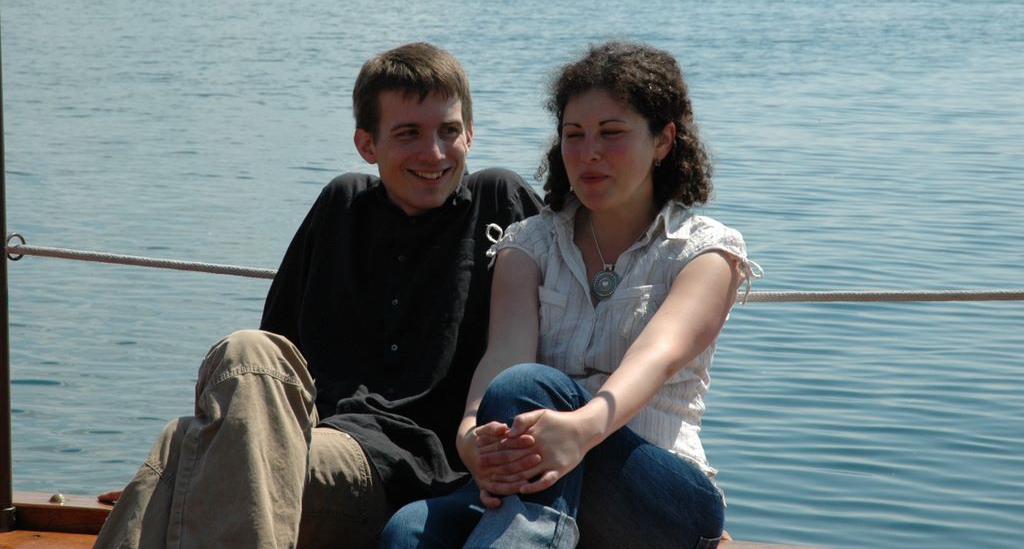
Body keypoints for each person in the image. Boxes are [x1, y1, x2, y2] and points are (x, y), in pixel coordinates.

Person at [92, 42, 542, 549]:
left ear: (471, 134)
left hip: (401, 468)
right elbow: (271, 365)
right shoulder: (341, 205)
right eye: (408, 134)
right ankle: (186, 480)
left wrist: (184, 478)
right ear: (367, 144)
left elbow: (573, 296)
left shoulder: (497, 201)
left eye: (449, 131)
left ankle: (173, 486)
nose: (434, 153)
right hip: (305, 438)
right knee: (246, 351)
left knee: (185, 450)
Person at [380, 41, 760, 549]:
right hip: (539, 474)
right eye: (574, 135)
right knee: (408, 531)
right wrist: (470, 435)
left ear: (663, 141)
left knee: (529, 385)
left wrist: (579, 431)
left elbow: (656, 358)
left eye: (611, 133)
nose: (589, 152)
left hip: (659, 495)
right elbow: (504, 354)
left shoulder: (704, 252)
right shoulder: (529, 245)